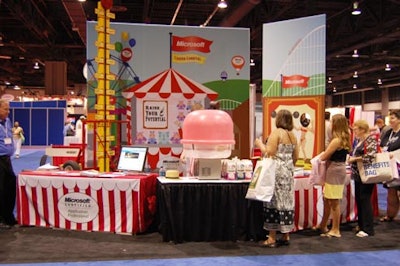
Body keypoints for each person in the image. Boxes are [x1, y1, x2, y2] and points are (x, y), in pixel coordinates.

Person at [254, 109, 299, 248]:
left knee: (273, 202)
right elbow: (296, 157)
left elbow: (269, 152)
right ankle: (285, 234)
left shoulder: (277, 133)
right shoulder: (293, 135)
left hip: (276, 172)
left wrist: (259, 144)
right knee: (286, 203)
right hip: (288, 172)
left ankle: (272, 237)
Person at [315, 114, 350, 238]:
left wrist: (318, 157)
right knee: (327, 199)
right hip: (335, 170)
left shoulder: (336, 140)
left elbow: (325, 156)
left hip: (335, 171)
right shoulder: (343, 138)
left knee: (334, 201)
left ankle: (335, 229)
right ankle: (323, 225)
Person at [347, 119, 378, 237]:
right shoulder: (359, 141)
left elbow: (370, 157)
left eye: (356, 129)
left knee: (365, 200)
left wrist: (354, 159)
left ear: (362, 129)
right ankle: (361, 225)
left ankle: (368, 228)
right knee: (360, 199)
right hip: (358, 174)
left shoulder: (370, 139)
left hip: (367, 173)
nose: (354, 131)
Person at [379, 109, 400, 222]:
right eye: (390, 118)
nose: (390, 121)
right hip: (390, 166)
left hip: (399, 165)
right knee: (391, 191)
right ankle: (390, 215)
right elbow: (382, 145)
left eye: (393, 118)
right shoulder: (388, 132)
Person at [0, 99, 18, 229]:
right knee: (0, 189)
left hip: (7, 159)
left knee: (10, 187)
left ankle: (8, 216)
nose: (8, 111)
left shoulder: (8, 121)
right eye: (5, 109)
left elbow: (9, 137)